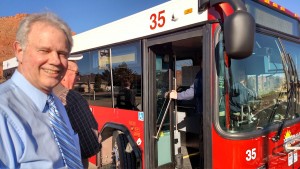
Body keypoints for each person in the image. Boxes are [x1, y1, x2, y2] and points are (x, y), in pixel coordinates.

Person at [0, 13, 82, 168]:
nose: (56, 61)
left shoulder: (55, 104)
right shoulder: (3, 112)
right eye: (44, 50)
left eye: (62, 53)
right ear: (19, 51)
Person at [53, 57, 101, 168]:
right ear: (64, 74)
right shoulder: (73, 98)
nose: (79, 78)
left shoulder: (44, 93)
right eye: (77, 73)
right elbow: (90, 144)